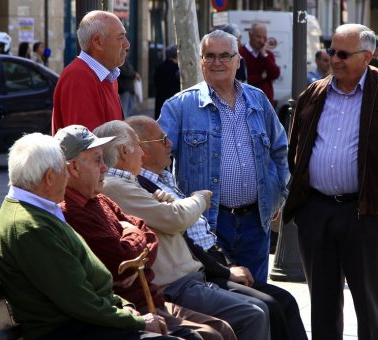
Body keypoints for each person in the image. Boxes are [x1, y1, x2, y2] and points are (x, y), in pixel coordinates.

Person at [58, 123, 269, 340]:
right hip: (154, 296)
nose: (104, 167)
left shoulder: (99, 197)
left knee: (237, 322)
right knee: (245, 318)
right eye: (97, 160)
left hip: (157, 294)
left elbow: (146, 236)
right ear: (73, 168)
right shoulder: (93, 198)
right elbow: (127, 260)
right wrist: (198, 199)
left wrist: (134, 233)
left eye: (102, 159)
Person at [126, 115, 307, 340]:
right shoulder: (139, 186)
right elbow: (181, 230)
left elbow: (279, 149)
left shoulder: (162, 178)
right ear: (142, 150)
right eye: (163, 139)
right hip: (193, 276)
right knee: (262, 310)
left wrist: (227, 265)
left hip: (210, 265)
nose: (169, 144)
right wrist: (225, 270)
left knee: (281, 301)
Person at [0, 133, 178, 340]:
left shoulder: (40, 211)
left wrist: (125, 308)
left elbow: (85, 291)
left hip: (88, 324)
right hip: (71, 331)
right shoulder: (30, 227)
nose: (68, 177)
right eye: (64, 170)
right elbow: (79, 301)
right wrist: (135, 320)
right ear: (50, 178)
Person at [283, 24, 378, 340]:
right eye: (332, 50)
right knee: (322, 304)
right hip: (317, 211)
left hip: (366, 212)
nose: (334, 59)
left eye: (344, 54)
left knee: (370, 305)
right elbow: (296, 148)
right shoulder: (314, 92)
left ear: (367, 56)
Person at [158, 30, 289, 284]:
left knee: (261, 299)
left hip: (255, 222)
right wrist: (172, 205)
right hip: (207, 225)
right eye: (210, 56)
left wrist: (276, 196)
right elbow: (154, 158)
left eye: (224, 56)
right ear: (201, 61)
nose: (217, 62)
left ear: (238, 60)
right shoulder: (180, 106)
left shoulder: (258, 100)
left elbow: (279, 149)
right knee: (219, 300)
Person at [51, 10, 129, 134]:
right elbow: (88, 148)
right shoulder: (78, 77)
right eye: (120, 37)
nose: (127, 44)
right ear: (97, 42)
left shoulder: (107, 76)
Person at [238, 22, 280, 105]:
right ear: (250, 35)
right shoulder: (241, 53)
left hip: (265, 102)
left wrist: (264, 56)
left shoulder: (268, 54)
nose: (262, 41)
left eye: (264, 38)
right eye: (258, 36)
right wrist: (261, 77)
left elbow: (275, 74)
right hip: (247, 101)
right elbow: (243, 80)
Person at [153, 45, 180, 119]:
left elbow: (155, 83)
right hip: (174, 103)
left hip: (160, 102)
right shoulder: (178, 70)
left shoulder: (159, 67)